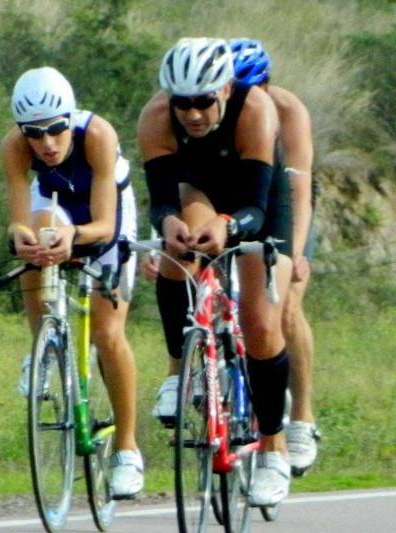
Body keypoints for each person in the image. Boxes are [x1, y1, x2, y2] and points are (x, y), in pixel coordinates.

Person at [138, 37, 294, 506]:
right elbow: (163, 196)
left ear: (225, 89)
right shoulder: (155, 118)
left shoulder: (256, 109)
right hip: (198, 189)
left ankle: (273, 450)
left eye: (204, 101)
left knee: (262, 323)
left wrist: (230, 227)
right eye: (182, 104)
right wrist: (167, 222)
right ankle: (180, 369)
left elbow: (256, 206)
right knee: (175, 246)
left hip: (255, 201)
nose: (193, 114)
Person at [1, 66, 143, 498]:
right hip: (57, 206)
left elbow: (102, 225)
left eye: (55, 130)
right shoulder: (13, 147)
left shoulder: (98, 135)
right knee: (36, 242)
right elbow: (17, 220)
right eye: (33, 133)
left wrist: (73, 238)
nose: (45, 143)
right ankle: (42, 349)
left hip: (107, 214)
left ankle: (126, 449)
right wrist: (21, 238)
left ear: (70, 118)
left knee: (106, 331)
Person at [230, 38, 321, 477]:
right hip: (241, 200)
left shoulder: (287, 111)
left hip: (287, 206)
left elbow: (299, 191)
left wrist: (296, 252)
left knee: (284, 306)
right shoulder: (223, 111)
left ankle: (302, 418)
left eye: (255, 87)